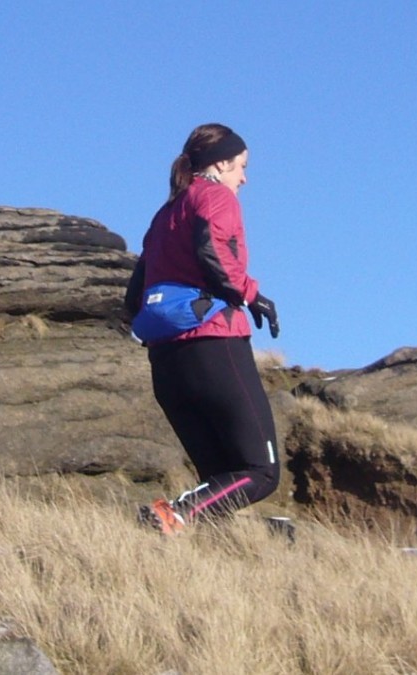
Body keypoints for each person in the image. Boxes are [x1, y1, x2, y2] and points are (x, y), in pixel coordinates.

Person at [124, 123, 282, 534]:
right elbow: (212, 250)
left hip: (166, 361)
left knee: (220, 479)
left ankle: (226, 550)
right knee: (260, 471)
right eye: (242, 166)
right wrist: (252, 296)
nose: (244, 178)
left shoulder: (164, 214)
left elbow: (134, 294)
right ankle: (168, 516)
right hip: (215, 348)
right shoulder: (215, 197)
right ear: (221, 162)